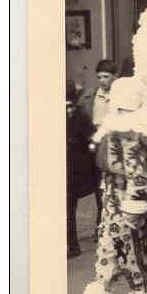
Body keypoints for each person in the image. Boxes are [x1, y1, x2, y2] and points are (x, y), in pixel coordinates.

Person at [68, 77, 147, 294]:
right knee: (108, 245)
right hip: (112, 193)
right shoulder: (114, 128)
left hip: (129, 197)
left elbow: (139, 171)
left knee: (131, 247)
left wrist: (136, 203)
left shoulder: (134, 133)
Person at [77, 59, 117, 233]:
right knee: (97, 184)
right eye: (99, 77)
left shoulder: (121, 96)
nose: (102, 80)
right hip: (94, 142)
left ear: (114, 77)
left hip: (113, 141)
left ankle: (112, 222)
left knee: (111, 183)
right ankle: (100, 222)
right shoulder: (90, 96)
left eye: (106, 77)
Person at [66, 81, 96, 258]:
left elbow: (90, 141)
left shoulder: (81, 117)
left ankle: (72, 244)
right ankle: (72, 244)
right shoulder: (81, 115)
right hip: (72, 167)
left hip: (73, 168)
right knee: (68, 208)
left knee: (68, 207)